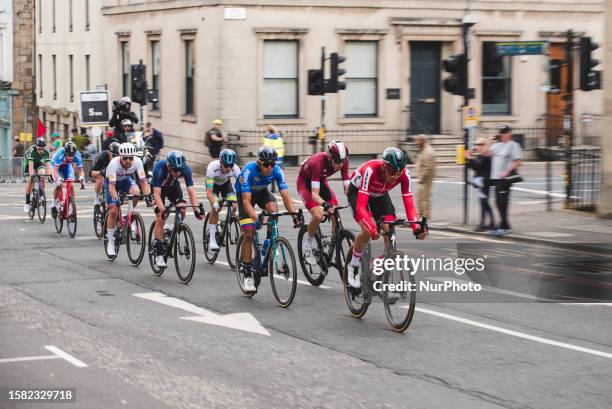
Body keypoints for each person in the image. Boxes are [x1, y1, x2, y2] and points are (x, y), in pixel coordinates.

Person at [347, 147, 427, 288]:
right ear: (384, 167)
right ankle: (353, 266)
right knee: (367, 232)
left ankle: (377, 269)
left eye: (399, 172)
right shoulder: (370, 171)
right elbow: (361, 207)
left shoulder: (404, 174)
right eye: (392, 172)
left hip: (380, 195)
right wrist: (372, 228)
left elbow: (409, 204)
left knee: (389, 231)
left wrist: (416, 227)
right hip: (358, 193)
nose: (395, 176)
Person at [236, 146, 302, 292]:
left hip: (262, 193)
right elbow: (247, 202)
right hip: (245, 196)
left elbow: (285, 196)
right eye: (266, 164)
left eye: (273, 163)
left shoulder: (277, 171)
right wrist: (255, 218)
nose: (270, 167)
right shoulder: (249, 170)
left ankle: (268, 244)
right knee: (249, 232)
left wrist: (294, 216)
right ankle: (247, 272)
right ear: (259, 163)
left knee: (274, 211)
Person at [297, 140, 350, 264]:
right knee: (318, 215)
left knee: (335, 213)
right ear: (329, 157)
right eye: (337, 162)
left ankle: (333, 246)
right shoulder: (318, 162)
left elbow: (347, 188)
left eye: (342, 162)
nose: (340, 165)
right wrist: (325, 205)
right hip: (305, 183)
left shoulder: (343, 161)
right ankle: (309, 244)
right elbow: (315, 194)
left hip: (321, 180)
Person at [151, 151, 204, 266]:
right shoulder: (159, 168)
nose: (178, 172)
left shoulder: (186, 169)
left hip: (173, 188)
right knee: (161, 217)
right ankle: (159, 254)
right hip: (158, 189)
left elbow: (191, 190)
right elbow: (156, 194)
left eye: (180, 170)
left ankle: (172, 229)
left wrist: (196, 210)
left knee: (183, 209)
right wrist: (162, 209)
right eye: (175, 170)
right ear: (169, 166)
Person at [104, 142, 151, 256]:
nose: (128, 161)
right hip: (112, 184)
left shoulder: (137, 162)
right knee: (113, 211)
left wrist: (148, 197)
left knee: (136, 192)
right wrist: (115, 199)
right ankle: (110, 241)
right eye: (125, 158)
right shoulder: (113, 164)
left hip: (125, 180)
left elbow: (144, 182)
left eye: (130, 158)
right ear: (120, 157)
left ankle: (129, 214)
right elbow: (111, 186)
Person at [489, 125, 522, 236]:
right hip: (495, 178)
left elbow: (518, 161)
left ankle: (502, 226)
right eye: (501, 133)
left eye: (505, 132)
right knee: (497, 202)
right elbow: (488, 153)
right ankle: (505, 225)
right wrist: (491, 141)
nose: (503, 135)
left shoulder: (513, 145)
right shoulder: (497, 145)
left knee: (502, 202)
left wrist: (507, 171)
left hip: (505, 179)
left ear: (509, 133)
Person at [205, 149, 241, 250]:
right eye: (226, 166)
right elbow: (209, 192)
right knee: (216, 208)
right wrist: (214, 203)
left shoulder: (236, 169)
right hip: (214, 187)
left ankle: (226, 223)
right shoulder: (212, 167)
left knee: (234, 206)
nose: (229, 168)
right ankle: (212, 239)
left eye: (231, 165)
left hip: (226, 184)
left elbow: (243, 186)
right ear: (221, 163)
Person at [465, 138, 495, 231]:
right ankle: (489, 223)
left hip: (485, 182)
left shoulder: (487, 155)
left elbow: (478, 165)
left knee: (484, 202)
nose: (477, 146)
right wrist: (468, 158)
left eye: (480, 144)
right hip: (479, 183)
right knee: (483, 203)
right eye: (477, 144)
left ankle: (485, 223)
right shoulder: (480, 155)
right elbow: (472, 167)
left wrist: (469, 158)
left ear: (485, 145)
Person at [50, 141, 85, 219]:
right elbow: (55, 170)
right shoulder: (60, 154)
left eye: (72, 155)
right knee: (59, 185)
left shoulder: (77, 155)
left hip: (67, 166)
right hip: (56, 167)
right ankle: (53, 204)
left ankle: (72, 208)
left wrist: (82, 178)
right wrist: (58, 179)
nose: (70, 157)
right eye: (68, 155)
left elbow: (81, 170)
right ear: (65, 153)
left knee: (71, 185)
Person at [90, 141, 121, 213]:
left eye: (117, 156)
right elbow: (91, 173)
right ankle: (97, 199)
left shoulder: (121, 159)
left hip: (112, 174)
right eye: (113, 156)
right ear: (109, 153)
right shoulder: (102, 157)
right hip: (102, 170)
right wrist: (101, 172)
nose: (115, 158)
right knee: (100, 179)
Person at [23, 138, 52, 213]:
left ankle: (41, 193)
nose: (41, 151)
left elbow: (48, 165)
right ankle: (27, 202)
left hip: (38, 162)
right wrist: (32, 175)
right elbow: (31, 166)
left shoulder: (46, 152)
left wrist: (49, 175)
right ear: (36, 147)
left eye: (42, 149)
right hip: (28, 163)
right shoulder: (32, 151)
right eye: (39, 149)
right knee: (29, 181)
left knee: (42, 173)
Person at [414, 134, 436, 220]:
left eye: (418, 140)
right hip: (423, 178)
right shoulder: (423, 149)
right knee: (420, 197)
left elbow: (429, 168)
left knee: (424, 198)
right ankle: (421, 214)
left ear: (422, 141)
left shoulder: (428, 152)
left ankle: (425, 216)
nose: (416, 142)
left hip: (425, 179)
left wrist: (422, 178)